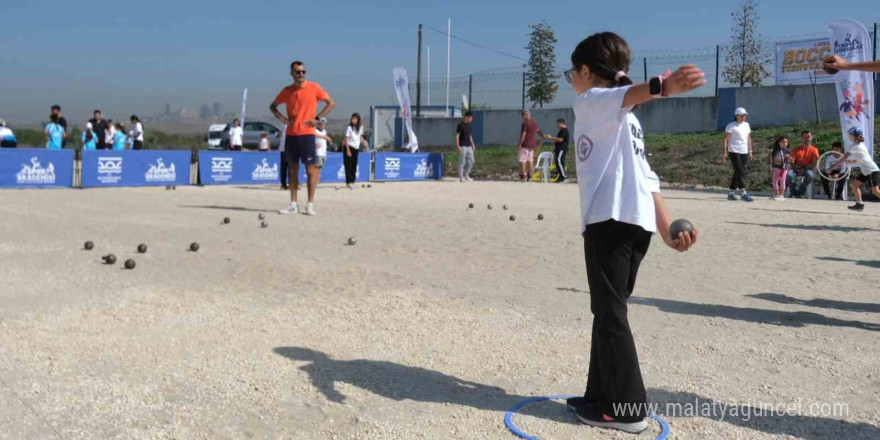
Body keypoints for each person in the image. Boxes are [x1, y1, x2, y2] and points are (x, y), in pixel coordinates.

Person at [563, 31, 700, 434]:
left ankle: (626, 409)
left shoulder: (591, 102)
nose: (571, 79)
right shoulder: (629, 119)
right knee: (607, 311)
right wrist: (668, 229)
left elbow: (623, 95)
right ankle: (598, 398)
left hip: (610, 221)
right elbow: (649, 179)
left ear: (586, 72)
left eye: (573, 72)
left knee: (610, 315)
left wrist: (662, 87)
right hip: (636, 226)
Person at [270, 60, 335, 215]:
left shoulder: (314, 87)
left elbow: (330, 103)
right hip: (291, 135)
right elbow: (272, 106)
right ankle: (293, 204)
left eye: (303, 72)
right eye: (298, 71)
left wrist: (317, 118)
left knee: (311, 170)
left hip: (307, 135)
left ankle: (310, 204)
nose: (301, 74)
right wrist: (283, 119)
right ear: (292, 73)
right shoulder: (287, 90)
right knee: (293, 170)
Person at [830, 126, 880, 211]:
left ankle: (859, 204)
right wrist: (853, 162)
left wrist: (835, 165)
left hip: (870, 170)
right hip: (866, 170)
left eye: (850, 134)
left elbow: (844, 157)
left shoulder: (854, 146)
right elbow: (863, 157)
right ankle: (859, 204)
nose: (849, 135)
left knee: (875, 191)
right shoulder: (859, 145)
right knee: (855, 185)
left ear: (855, 136)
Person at [722, 108, 753, 201]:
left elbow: (748, 138)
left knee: (737, 172)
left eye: (745, 115)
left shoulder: (747, 125)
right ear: (737, 116)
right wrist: (724, 152)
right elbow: (725, 139)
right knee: (740, 171)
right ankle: (743, 192)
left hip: (744, 151)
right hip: (734, 150)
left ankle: (731, 193)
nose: (744, 117)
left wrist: (750, 150)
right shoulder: (731, 126)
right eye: (742, 115)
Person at [786, 131, 820, 198]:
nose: (807, 139)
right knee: (789, 175)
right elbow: (792, 162)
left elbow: (814, 163)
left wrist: (804, 169)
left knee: (810, 175)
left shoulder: (814, 150)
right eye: (805, 137)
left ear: (811, 138)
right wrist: (795, 167)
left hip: (807, 169)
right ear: (801, 138)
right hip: (796, 169)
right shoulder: (796, 149)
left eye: (808, 137)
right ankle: (794, 192)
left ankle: (801, 191)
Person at [342, 113, 367, 189]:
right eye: (352, 119)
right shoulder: (349, 128)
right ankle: (348, 182)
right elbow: (346, 139)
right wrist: (348, 150)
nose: (353, 120)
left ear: (358, 120)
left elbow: (360, 137)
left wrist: (364, 144)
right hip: (349, 147)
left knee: (354, 165)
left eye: (354, 119)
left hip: (356, 148)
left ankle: (353, 181)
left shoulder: (360, 128)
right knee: (348, 165)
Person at [517, 110, 543, 181]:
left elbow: (523, 134)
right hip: (532, 145)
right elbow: (538, 130)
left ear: (526, 115)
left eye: (523, 115)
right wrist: (543, 135)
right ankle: (530, 176)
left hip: (525, 144)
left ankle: (523, 176)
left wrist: (520, 143)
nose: (523, 117)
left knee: (522, 160)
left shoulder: (525, 123)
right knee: (530, 160)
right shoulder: (534, 123)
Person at [543, 118, 570, 182]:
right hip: (559, 148)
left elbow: (560, 139)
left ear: (561, 123)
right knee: (560, 162)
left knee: (559, 161)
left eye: (558, 124)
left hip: (562, 148)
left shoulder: (564, 130)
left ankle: (564, 177)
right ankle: (561, 176)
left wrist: (550, 137)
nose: (557, 126)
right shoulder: (561, 131)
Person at [768, 135, 792, 201]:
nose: (785, 144)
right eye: (783, 142)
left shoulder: (788, 151)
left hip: (784, 168)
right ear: (779, 143)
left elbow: (791, 160)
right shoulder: (775, 151)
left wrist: (789, 158)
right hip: (776, 168)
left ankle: (781, 195)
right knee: (774, 181)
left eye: (786, 142)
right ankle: (776, 194)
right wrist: (770, 167)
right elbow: (773, 160)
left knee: (782, 181)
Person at [456, 111, 476, 182]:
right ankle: (461, 178)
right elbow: (457, 136)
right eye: (470, 118)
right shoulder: (460, 125)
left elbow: (469, 135)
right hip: (462, 146)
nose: (471, 120)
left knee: (472, 161)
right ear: (466, 117)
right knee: (462, 162)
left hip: (469, 146)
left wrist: (473, 144)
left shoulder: (470, 125)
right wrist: (458, 146)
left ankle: (466, 175)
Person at [278, 125, 289, 190]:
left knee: (290, 167)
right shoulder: (284, 125)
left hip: (290, 148)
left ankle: (291, 184)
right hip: (285, 148)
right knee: (285, 167)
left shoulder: (284, 125)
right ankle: (283, 184)